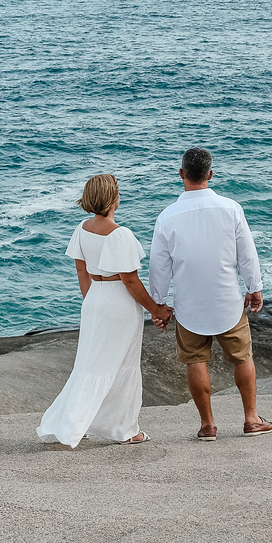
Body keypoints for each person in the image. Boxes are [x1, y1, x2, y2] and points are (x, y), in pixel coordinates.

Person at [36, 174, 174, 447]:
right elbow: (130, 280)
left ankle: (76, 421)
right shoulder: (120, 234)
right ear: (113, 199)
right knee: (123, 365)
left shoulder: (82, 228)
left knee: (89, 364)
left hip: (94, 299)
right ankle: (126, 429)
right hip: (117, 303)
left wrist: (92, 300)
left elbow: (80, 269)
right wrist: (156, 309)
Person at [148, 148, 272, 441]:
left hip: (189, 306)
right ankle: (251, 419)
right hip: (227, 301)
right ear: (210, 175)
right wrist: (254, 288)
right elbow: (247, 255)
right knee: (243, 358)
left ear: (181, 175)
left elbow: (159, 266)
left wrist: (159, 305)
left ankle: (207, 425)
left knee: (196, 361)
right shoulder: (231, 208)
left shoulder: (167, 217)